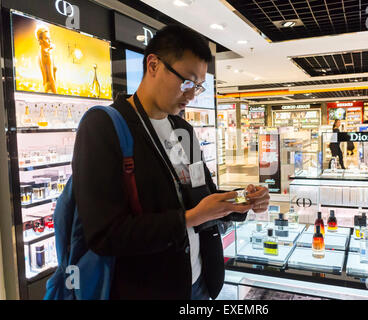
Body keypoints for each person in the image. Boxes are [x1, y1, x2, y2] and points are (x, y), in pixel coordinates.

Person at [71, 25, 270, 300]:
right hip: (147, 288)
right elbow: (105, 235)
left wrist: (243, 202)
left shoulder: (183, 130)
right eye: (187, 82)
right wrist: (190, 218)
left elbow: (202, 193)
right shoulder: (103, 126)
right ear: (153, 65)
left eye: (198, 86)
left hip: (199, 281)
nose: (192, 94)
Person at [36, 26, 57, 93]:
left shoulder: (42, 52)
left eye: (49, 38)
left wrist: (51, 48)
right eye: (47, 39)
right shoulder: (47, 55)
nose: (50, 41)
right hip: (50, 90)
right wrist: (57, 96)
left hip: (46, 89)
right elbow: (51, 79)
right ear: (40, 40)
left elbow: (52, 46)